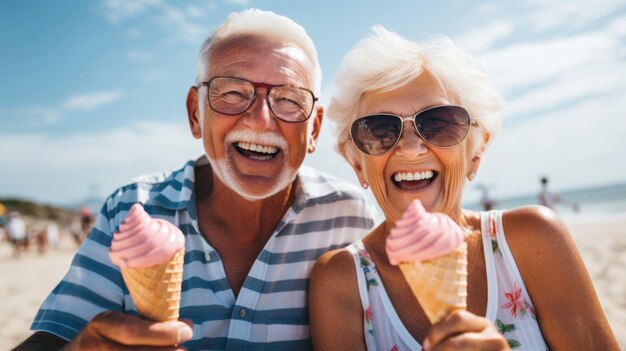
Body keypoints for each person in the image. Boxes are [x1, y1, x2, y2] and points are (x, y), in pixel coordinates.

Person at [15, 9, 377, 350]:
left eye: (289, 100)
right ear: (195, 113)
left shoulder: (349, 217)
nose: (261, 119)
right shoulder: (132, 207)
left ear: (313, 128)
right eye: (233, 92)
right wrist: (82, 346)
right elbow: (53, 338)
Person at [309, 27, 619, 350]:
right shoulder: (341, 283)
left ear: (476, 151)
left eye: (440, 123)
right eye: (380, 129)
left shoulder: (533, 241)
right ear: (358, 164)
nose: (411, 148)